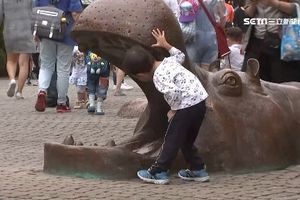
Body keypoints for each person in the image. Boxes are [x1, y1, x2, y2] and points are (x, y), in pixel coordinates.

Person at [122, 29, 209, 184]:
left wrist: (173, 110)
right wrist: (166, 45)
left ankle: (159, 171)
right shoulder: (168, 61)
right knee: (186, 140)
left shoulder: (159, 76)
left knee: (172, 139)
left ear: (140, 75)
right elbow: (180, 56)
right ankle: (198, 169)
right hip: (200, 102)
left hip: (185, 106)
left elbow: (172, 92)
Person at [34, 0, 82, 113]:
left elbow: (35, 11)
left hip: (45, 31)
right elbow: (75, 13)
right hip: (65, 33)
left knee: (45, 66)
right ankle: (61, 103)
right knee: (63, 69)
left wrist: (36, 32)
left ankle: (42, 91)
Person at [242, 0, 300, 83]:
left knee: (282, 82)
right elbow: (248, 13)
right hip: (256, 42)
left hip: (282, 43)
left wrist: (273, 3)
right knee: (250, 80)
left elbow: (296, 8)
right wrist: (253, 4)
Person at [0, 0, 37, 99]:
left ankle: (12, 79)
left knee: (11, 61)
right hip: (27, 32)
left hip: (10, 32)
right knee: (24, 63)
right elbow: (35, 14)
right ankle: (19, 92)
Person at [183, 0, 227, 69]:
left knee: (194, 72)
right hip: (212, 40)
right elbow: (223, 22)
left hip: (193, 40)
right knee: (208, 73)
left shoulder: (188, 1)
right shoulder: (219, 1)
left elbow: (183, 23)